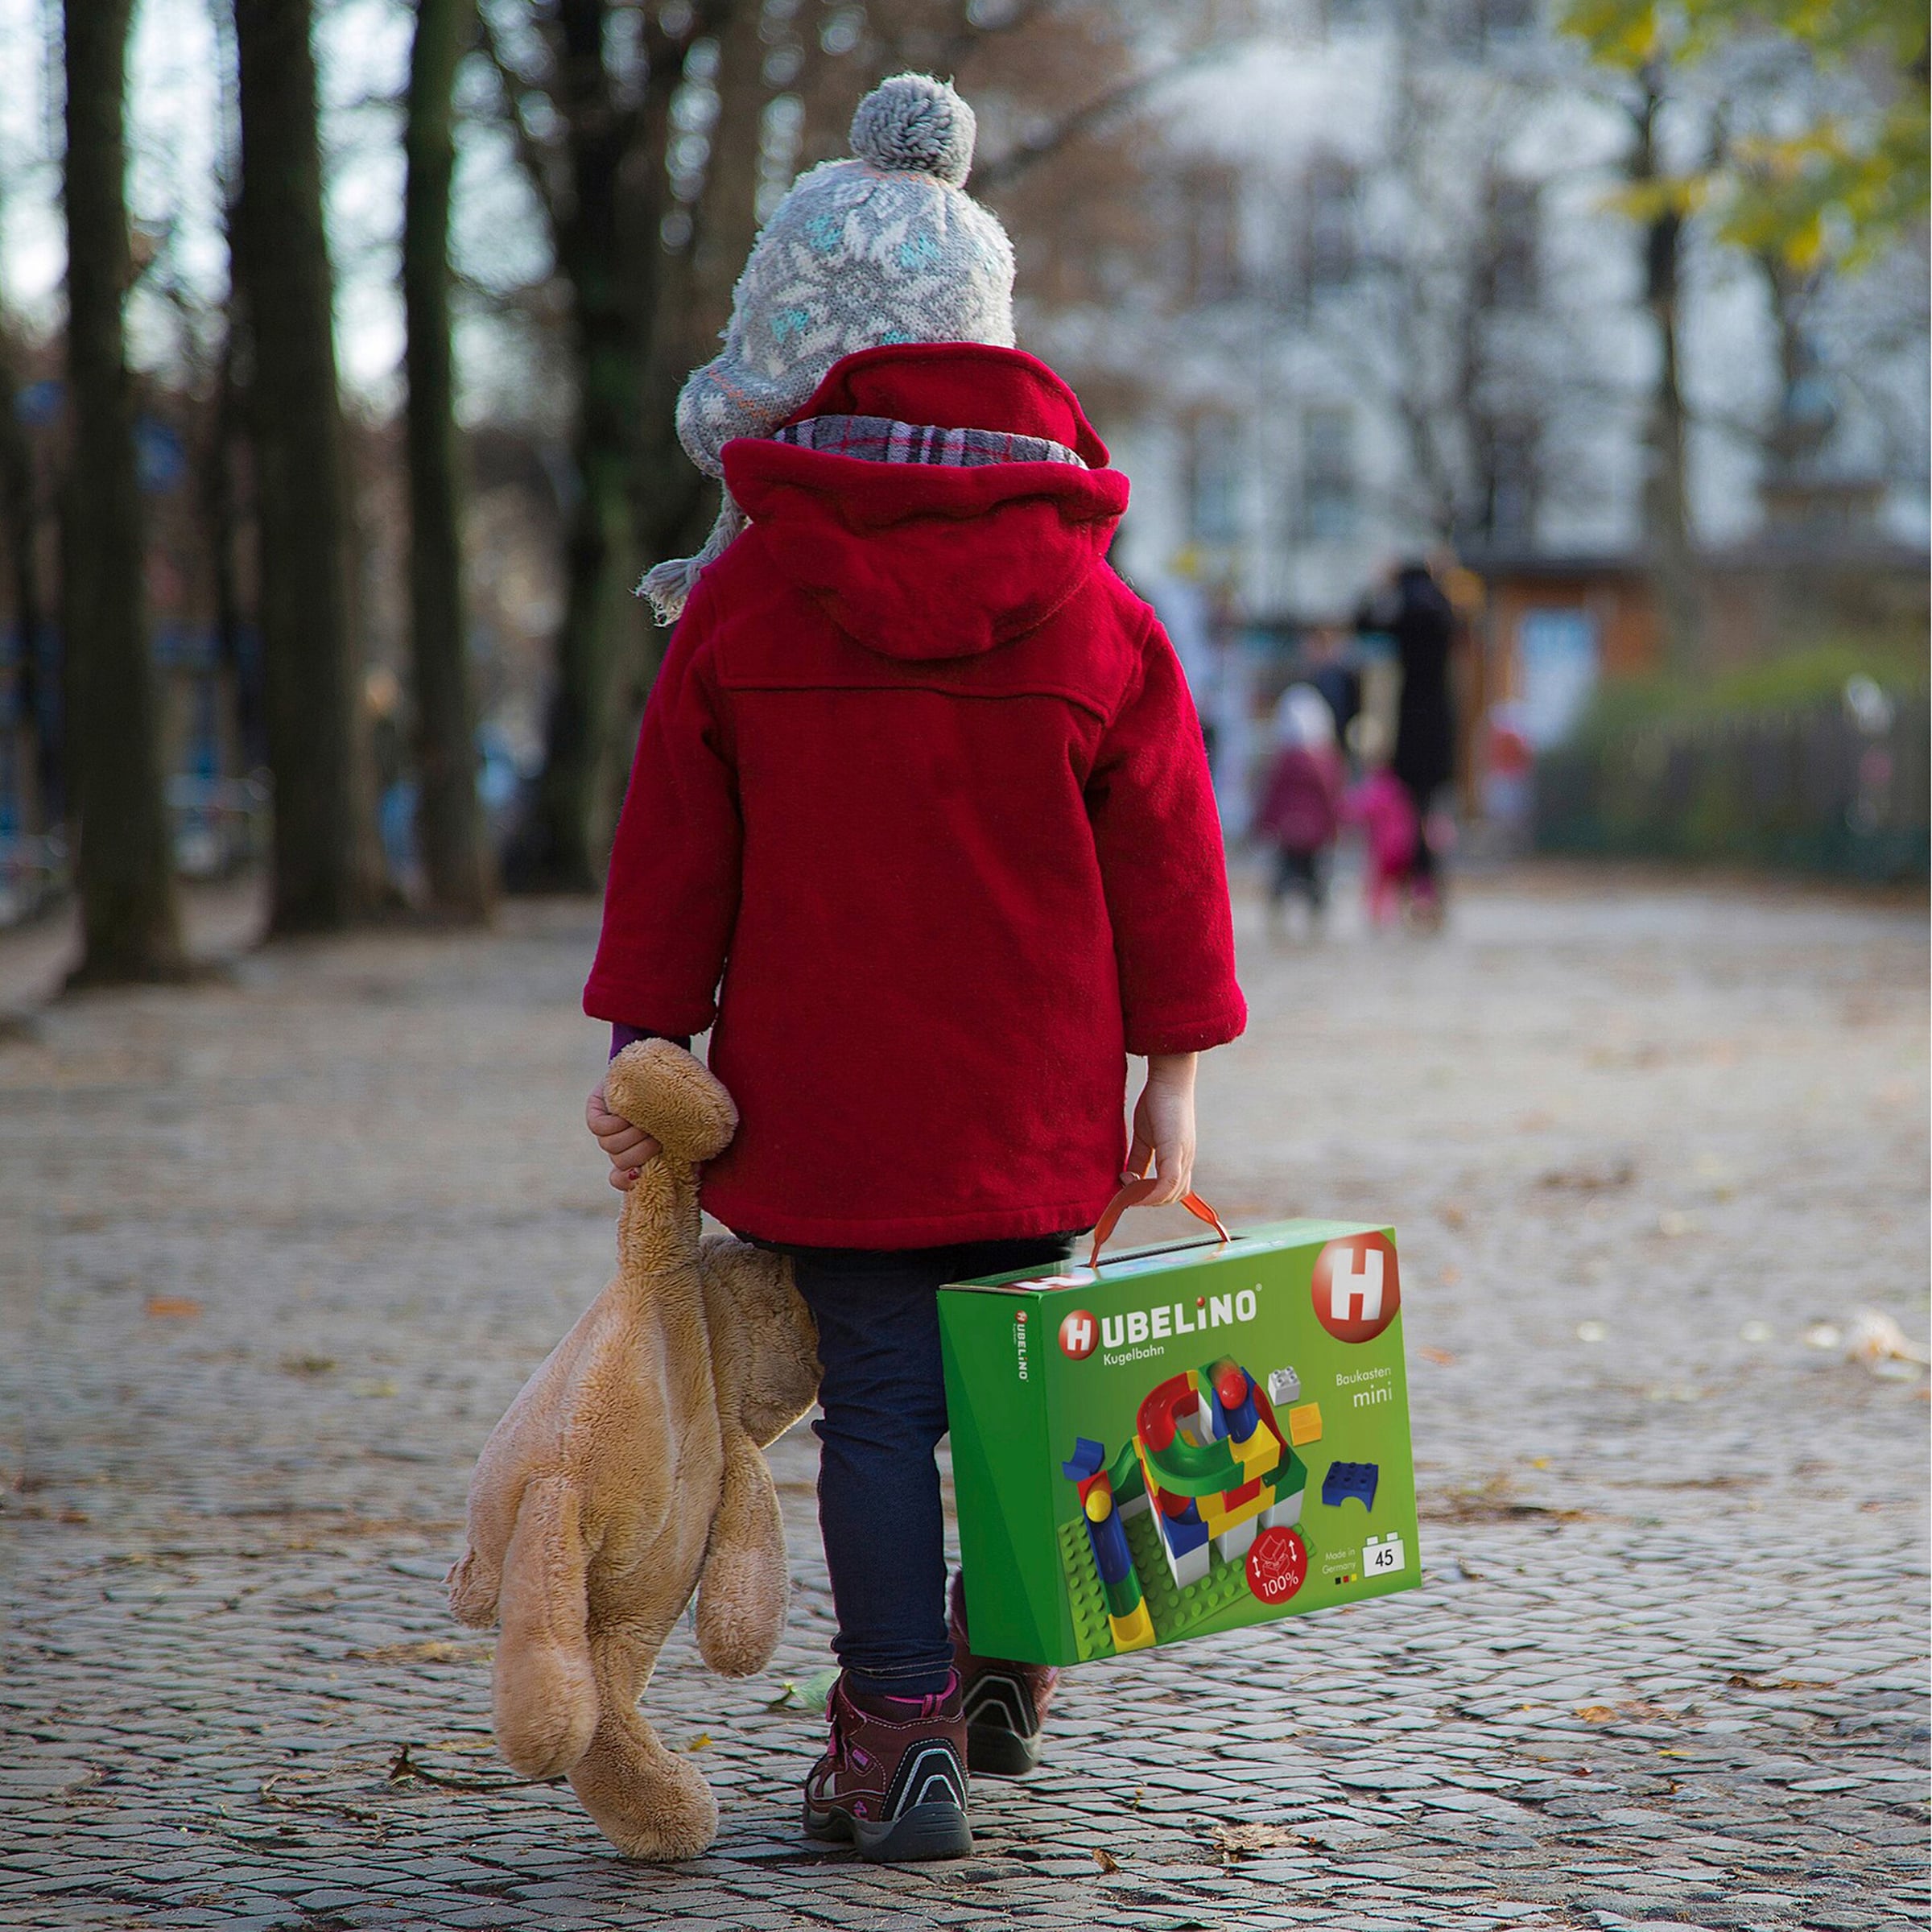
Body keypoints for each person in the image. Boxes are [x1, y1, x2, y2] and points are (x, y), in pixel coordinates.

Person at [576, 77, 1245, 1865]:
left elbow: (676, 847)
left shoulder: (749, 595)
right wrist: (1169, 1080)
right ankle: (1009, 1656)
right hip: (1031, 1091)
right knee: (1025, 1383)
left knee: (879, 1407)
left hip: (836, 1087)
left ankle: (894, 1738)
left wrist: (653, 1041)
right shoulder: (1096, 600)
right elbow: (1168, 860)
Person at [1357, 560, 1456, 919]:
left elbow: (1363, 623)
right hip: (1441, 726)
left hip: (1409, 726)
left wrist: (1378, 588)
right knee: (1428, 812)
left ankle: (1415, 885)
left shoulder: (1402, 613)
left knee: (1408, 815)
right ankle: (1428, 886)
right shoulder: (1441, 609)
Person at [1256, 684, 1344, 931]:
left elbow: (1271, 796)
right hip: (1315, 832)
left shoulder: (1282, 761)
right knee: (1314, 877)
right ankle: (1316, 918)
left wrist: (1262, 824)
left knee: (1284, 874)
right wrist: (1335, 824)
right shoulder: (1326, 761)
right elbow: (1331, 797)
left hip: (1287, 830)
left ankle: (1277, 914)